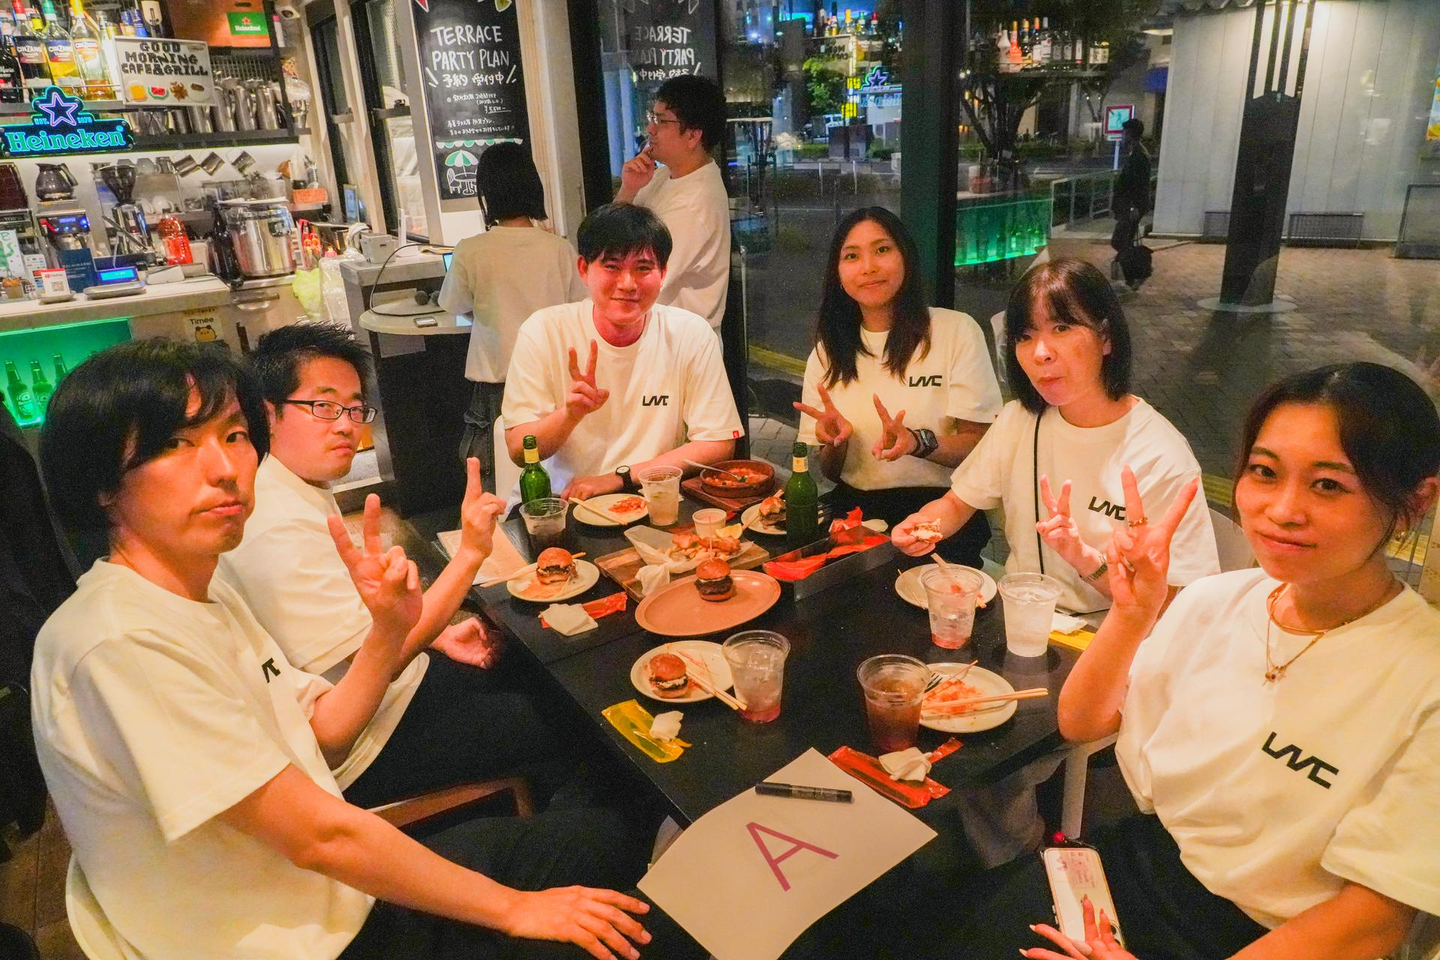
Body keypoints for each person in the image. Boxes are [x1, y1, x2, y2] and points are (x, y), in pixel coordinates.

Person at [30, 338, 664, 960]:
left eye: (233, 435)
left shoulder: (203, 592)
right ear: (99, 483)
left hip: (335, 889)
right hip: (318, 935)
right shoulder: (120, 640)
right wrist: (516, 909)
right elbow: (319, 837)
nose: (224, 468)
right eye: (175, 444)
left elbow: (326, 736)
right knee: (634, 892)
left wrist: (389, 629)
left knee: (610, 828)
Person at [923, 362, 1440, 960]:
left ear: (1415, 501)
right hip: (1136, 867)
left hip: (1273, 935)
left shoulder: (1423, 676)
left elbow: (1374, 920)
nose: (1282, 509)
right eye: (1265, 473)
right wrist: (1130, 615)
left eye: (1328, 485)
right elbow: (1082, 724)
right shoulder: (1215, 601)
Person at [218, 322, 558, 809]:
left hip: (390, 691)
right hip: (367, 744)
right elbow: (373, 664)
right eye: (324, 406)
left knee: (533, 668)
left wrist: (437, 636)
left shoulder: (288, 487)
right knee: (561, 716)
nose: (346, 425)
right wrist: (470, 554)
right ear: (267, 414)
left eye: (354, 408)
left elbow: (367, 639)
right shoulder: (273, 524)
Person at [893, 257, 1219, 614]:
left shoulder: (1161, 455)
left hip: (1111, 631)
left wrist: (1085, 558)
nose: (1040, 353)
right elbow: (958, 503)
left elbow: (1179, 604)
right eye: (1025, 336)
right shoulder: (1019, 421)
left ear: (1106, 337)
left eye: (1062, 328)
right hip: (1022, 615)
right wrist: (924, 526)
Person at [795, 207, 1002, 565]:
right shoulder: (827, 354)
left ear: (905, 257)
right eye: (852, 256)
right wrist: (835, 443)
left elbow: (981, 446)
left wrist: (917, 442)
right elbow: (831, 472)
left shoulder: (955, 331)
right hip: (856, 518)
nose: (868, 267)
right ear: (838, 274)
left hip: (943, 515)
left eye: (882, 250)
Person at [502, 202, 741, 502]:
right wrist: (569, 415)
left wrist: (619, 478)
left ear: (663, 273)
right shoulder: (544, 331)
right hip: (563, 503)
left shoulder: (690, 334)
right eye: (612, 267)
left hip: (654, 498)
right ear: (584, 269)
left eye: (643, 268)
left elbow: (718, 442)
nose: (627, 284)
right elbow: (518, 449)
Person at [438, 143, 588, 489]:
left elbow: (452, 304)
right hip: (552, 381)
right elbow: (579, 307)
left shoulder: (471, 250)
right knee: (554, 474)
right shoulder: (560, 248)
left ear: (486, 193)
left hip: (497, 386)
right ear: (534, 187)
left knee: (500, 482)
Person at [614, 75, 730, 331]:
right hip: (655, 331)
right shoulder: (663, 174)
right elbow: (613, 234)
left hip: (678, 342)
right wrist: (629, 188)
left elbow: (641, 278)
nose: (650, 129)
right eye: (652, 118)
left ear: (692, 135)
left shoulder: (695, 203)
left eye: (661, 121)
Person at [1110, 118, 1152, 287]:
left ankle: (1139, 271)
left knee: (1120, 241)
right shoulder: (1136, 153)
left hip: (1131, 206)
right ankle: (1133, 276)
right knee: (1125, 241)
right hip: (1129, 206)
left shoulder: (1139, 156)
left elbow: (1139, 184)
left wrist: (1134, 206)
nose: (1122, 136)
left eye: (1124, 133)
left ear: (1130, 134)